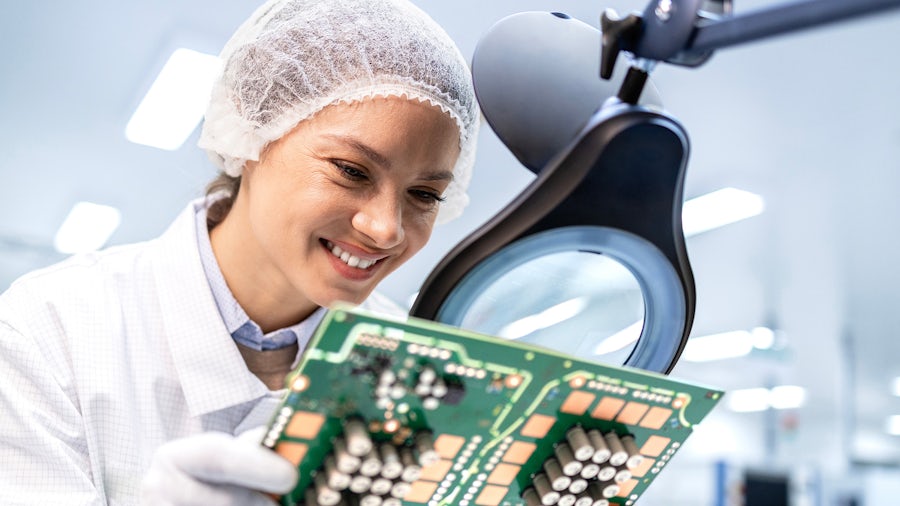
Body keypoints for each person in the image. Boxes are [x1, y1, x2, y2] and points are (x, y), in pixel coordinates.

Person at [0, 0, 479, 504]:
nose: (385, 229)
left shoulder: (423, 370)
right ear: (252, 135)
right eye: (351, 170)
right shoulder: (44, 332)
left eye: (425, 195)